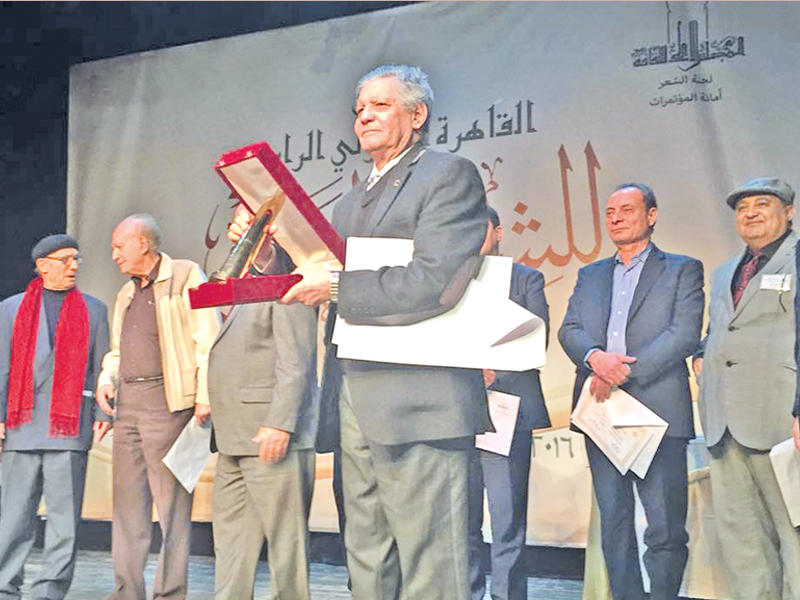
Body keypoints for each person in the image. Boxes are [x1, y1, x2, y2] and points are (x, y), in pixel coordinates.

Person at [229, 63, 489, 600]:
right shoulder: (350, 201)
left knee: (433, 567)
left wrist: (335, 286)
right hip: (353, 394)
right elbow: (314, 270)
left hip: (419, 403)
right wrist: (267, 249)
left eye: (380, 105)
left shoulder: (448, 175)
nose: (364, 116)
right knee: (366, 558)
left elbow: (436, 280)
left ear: (417, 115)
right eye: (359, 109)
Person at [559, 183, 703, 600]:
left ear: (651, 215)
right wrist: (594, 358)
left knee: (665, 527)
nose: (616, 218)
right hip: (600, 410)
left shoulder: (682, 269)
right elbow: (570, 329)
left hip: (657, 411)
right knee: (614, 522)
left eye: (626, 209)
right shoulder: (590, 274)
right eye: (610, 212)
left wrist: (621, 371)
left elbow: (684, 333)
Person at [96, 214, 220, 600]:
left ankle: (170, 593)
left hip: (168, 405)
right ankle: (126, 592)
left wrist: (205, 395)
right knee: (127, 508)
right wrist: (106, 379)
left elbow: (207, 338)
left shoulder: (185, 275)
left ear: (142, 244)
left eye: (119, 246)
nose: (114, 255)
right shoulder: (126, 293)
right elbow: (118, 351)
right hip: (128, 407)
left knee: (172, 510)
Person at [694, 177, 800, 599]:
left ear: (788, 212)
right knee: (742, 543)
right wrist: (700, 356)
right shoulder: (725, 272)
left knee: (794, 535)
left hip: (781, 424)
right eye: (742, 208)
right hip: (725, 426)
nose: (750, 213)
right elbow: (720, 330)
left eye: (762, 204)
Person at [207, 241, 318, 599]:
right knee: (231, 547)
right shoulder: (241, 285)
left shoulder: (287, 284)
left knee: (286, 549)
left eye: (248, 227)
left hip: (270, 433)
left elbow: (295, 362)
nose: (238, 235)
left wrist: (280, 423)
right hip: (232, 436)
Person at [0, 234, 109, 600]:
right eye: (65, 259)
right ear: (42, 265)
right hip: (21, 424)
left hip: (68, 426)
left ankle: (50, 590)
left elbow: (102, 370)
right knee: (14, 515)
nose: (73, 266)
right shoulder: (11, 309)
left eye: (76, 259)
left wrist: (102, 412)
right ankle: (5, 585)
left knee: (65, 520)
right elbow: (2, 368)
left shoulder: (94, 310)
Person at [467, 207, 550, 600]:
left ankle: (506, 595)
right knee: (462, 519)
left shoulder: (526, 279)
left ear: (498, 232)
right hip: (458, 413)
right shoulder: (452, 281)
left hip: (506, 411)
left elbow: (536, 338)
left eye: (480, 227)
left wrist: (492, 370)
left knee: (506, 518)